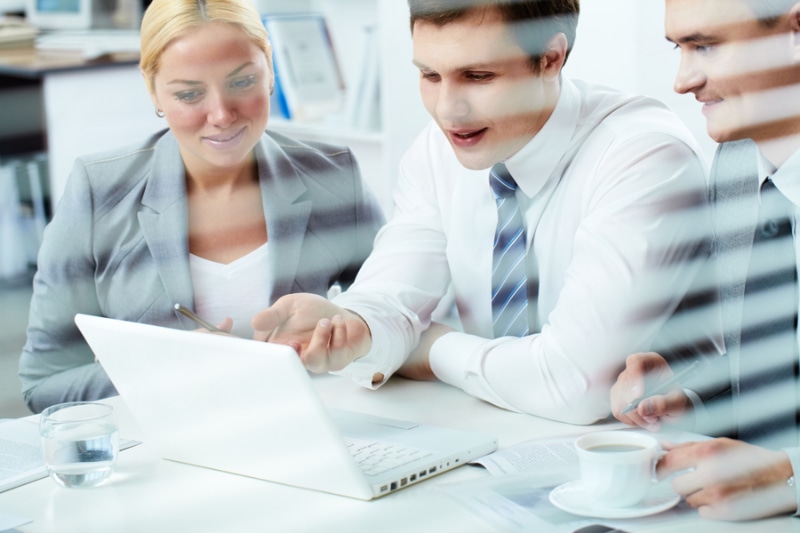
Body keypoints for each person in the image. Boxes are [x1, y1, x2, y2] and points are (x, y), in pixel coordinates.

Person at [251, 0, 716, 426]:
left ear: (552, 58)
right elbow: (391, 298)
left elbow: (572, 385)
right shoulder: (439, 149)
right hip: (495, 434)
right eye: (430, 76)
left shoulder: (642, 154)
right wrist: (354, 327)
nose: (447, 111)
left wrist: (430, 348)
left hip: (644, 458)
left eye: (477, 77)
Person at [18, 0, 385, 414]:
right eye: (190, 93)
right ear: (153, 89)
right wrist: (174, 370)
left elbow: (402, 322)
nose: (222, 114)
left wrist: (353, 336)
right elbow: (44, 384)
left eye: (243, 82)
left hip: (303, 433)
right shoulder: (98, 193)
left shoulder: (332, 177)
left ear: (270, 71)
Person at [610, 0, 800, 520]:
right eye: (680, 48)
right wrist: (685, 394)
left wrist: (788, 476)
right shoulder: (737, 165)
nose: (682, 81)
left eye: (706, 46)